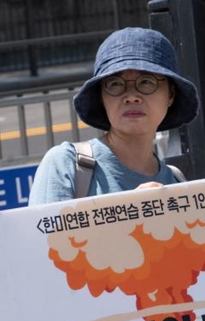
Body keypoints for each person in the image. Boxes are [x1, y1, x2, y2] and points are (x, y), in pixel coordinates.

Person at [29, 27, 201, 205]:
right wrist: (129, 211)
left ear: (170, 95)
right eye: (115, 84)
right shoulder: (66, 164)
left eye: (146, 82)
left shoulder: (177, 182)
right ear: (102, 98)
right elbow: (40, 234)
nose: (132, 96)